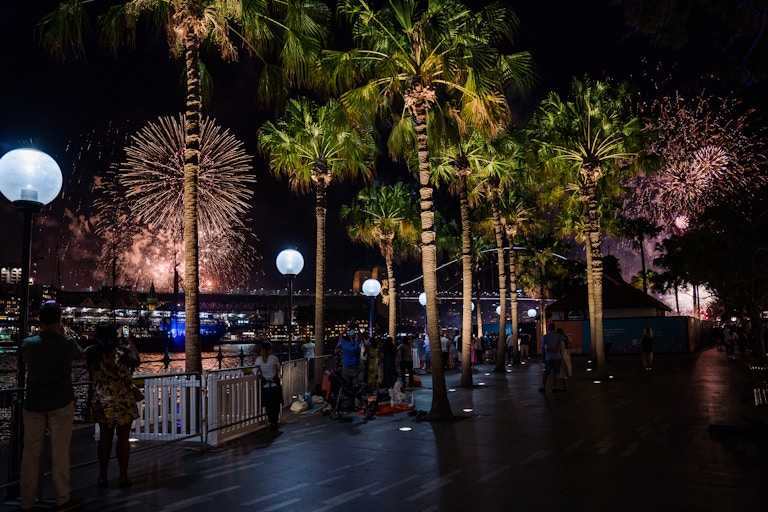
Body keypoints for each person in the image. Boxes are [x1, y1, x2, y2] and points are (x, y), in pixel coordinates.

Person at [20, 301, 82, 511]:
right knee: (60, 453)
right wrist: (63, 333)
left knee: (30, 454)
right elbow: (79, 354)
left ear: (39, 320)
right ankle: (62, 498)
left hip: (33, 403)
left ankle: (26, 501)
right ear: (59, 320)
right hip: (61, 402)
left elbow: (24, 357)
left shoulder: (29, 344)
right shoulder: (67, 343)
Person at [86, 323, 141, 489]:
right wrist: (130, 341)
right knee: (123, 438)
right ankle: (123, 477)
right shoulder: (118, 354)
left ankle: (102, 476)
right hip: (121, 399)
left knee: (105, 437)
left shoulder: (92, 352)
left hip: (101, 399)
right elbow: (136, 361)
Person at [255, 341, 283, 430]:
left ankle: (271, 421)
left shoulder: (259, 359)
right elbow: (279, 368)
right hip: (274, 385)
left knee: (268, 405)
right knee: (276, 403)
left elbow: (255, 370)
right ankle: (275, 420)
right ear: (270, 349)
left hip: (265, 386)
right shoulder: (274, 358)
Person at [538, 323, 562, 393]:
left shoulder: (545, 337)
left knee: (546, 372)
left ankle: (543, 386)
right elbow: (559, 347)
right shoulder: (558, 336)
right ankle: (554, 386)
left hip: (548, 357)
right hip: (557, 357)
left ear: (548, 328)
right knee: (555, 373)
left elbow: (542, 347)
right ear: (554, 328)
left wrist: (543, 356)